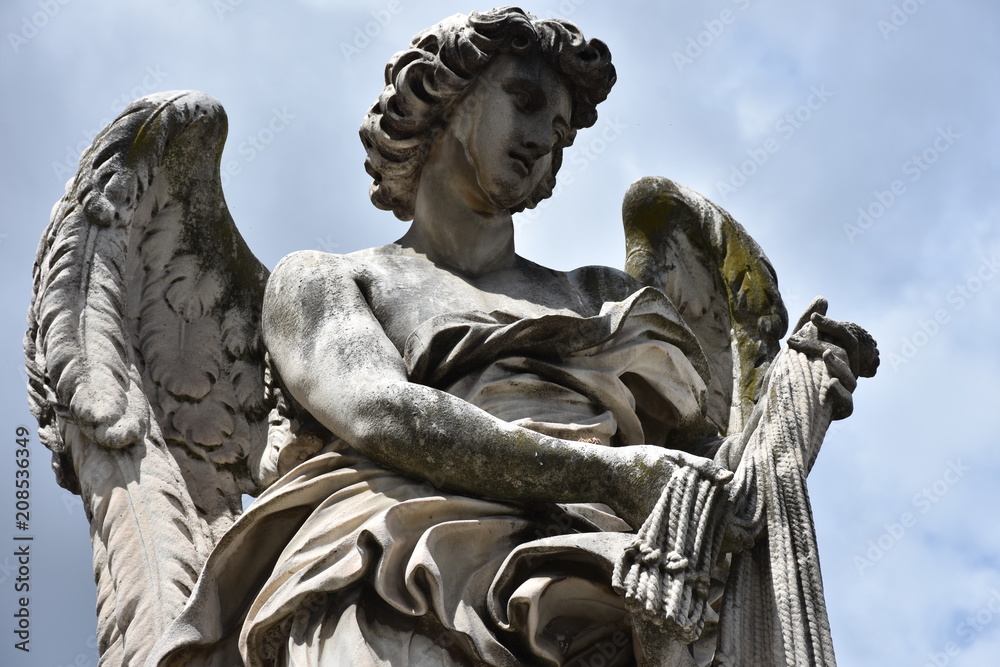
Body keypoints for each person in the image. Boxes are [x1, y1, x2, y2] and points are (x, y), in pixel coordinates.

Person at [150, 8, 864, 666]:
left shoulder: (605, 298)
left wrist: (791, 412)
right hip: (393, 569)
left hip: (599, 583)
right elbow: (378, 411)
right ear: (443, 96)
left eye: (560, 133)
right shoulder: (329, 281)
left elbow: (710, 480)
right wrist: (607, 475)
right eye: (523, 101)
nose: (542, 141)